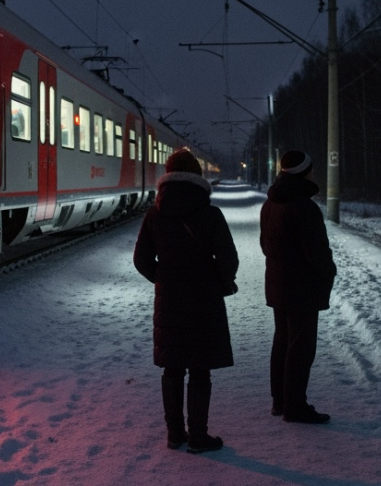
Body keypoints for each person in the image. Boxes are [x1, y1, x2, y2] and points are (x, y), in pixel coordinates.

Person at [133, 149, 239, 453]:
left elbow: (141, 259)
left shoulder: (154, 215)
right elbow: (229, 259)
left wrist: (163, 278)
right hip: (204, 301)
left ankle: (174, 434)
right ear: (198, 178)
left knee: (172, 369)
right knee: (200, 369)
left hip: (169, 301)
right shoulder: (211, 214)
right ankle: (198, 436)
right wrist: (219, 281)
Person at [260, 149, 336, 424]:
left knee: (282, 341)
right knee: (301, 348)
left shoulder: (270, 203)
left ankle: (279, 401)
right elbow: (317, 253)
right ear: (305, 172)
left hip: (277, 283)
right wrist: (329, 273)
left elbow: (264, 245)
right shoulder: (305, 207)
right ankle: (295, 406)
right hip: (302, 287)